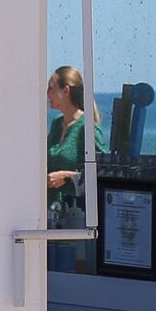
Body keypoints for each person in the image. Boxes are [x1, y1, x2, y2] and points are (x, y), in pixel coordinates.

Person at [44, 65, 92, 224]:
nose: (47, 94)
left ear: (65, 91)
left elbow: (101, 173)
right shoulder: (57, 124)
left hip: (74, 218)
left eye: (51, 88)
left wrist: (66, 177)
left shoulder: (86, 126)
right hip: (51, 217)